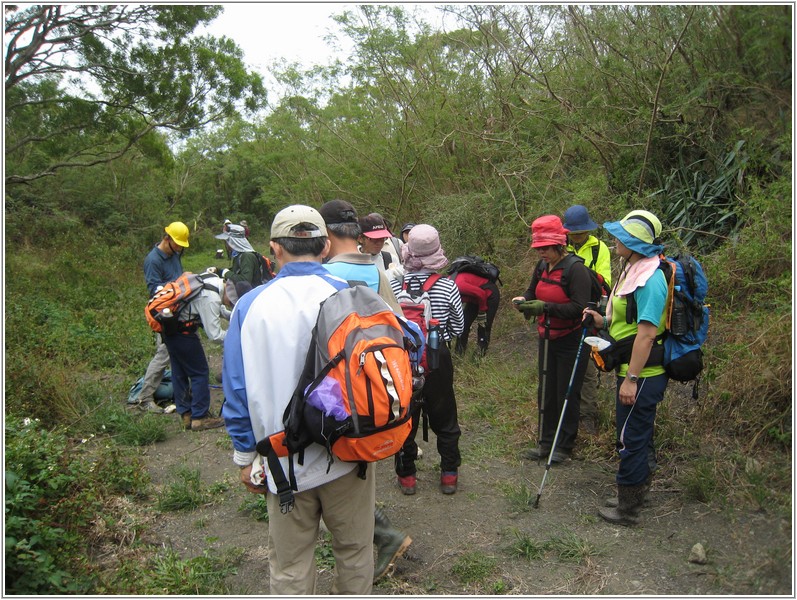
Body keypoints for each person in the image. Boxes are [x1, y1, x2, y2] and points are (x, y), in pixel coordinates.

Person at [222, 205, 375, 594]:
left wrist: (244, 457)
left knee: (289, 565)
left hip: (282, 460)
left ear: (274, 249)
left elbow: (236, 391)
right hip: (349, 454)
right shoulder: (352, 296)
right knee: (354, 551)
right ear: (325, 246)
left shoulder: (249, 306)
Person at [318, 199, 412, 581]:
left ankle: (383, 536)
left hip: (333, 386)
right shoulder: (373, 268)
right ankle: (382, 534)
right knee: (353, 473)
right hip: (371, 387)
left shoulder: (325, 276)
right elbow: (397, 322)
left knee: (332, 477)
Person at [583, 210, 669, 526]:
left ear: (636, 243)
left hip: (643, 374)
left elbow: (646, 334)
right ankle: (636, 492)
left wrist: (631, 379)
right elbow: (626, 320)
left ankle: (627, 507)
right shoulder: (634, 269)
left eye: (623, 236)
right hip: (632, 369)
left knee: (629, 438)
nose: (616, 240)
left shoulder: (651, 279)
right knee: (638, 435)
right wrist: (602, 321)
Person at [390, 224, 464, 495]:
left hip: (402, 359)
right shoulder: (447, 286)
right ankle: (449, 474)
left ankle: (407, 476)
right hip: (437, 358)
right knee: (445, 418)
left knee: (404, 417)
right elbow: (457, 328)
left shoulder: (394, 284)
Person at [513, 215, 592, 464]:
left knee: (566, 392)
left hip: (571, 338)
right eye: (539, 249)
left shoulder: (575, 269)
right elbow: (531, 289)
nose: (542, 253)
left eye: (546, 248)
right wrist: (525, 301)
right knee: (546, 391)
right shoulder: (541, 267)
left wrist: (545, 307)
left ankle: (564, 445)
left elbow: (580, 307)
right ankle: (545, 442)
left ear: (559, 244)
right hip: (546, 337)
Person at [563, 204, 613, 435]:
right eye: (573, 233)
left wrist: (580, 273)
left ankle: (587, 415)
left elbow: (607, 282)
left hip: (589, 312)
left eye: (581, 232)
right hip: (565, 311)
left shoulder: (599, 248)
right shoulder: (561, 246)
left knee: (588, 368)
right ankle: (566, 412)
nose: (577, 237)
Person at [163, 270, 229, 431]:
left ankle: (186, 414)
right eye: (230, 301)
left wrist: (231, 315)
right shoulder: (211, 298)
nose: (228, 303)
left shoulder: (213, 281)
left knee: (179, 372)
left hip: (169, 329)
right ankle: (200, 418)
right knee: (200, 372)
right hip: (183, 334)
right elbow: (214, 335)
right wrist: (234, 336)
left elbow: (217, 308)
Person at [136, 221, 189, 413]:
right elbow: (154, 290)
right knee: (164, 353)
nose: (179, 249)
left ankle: (182, 392)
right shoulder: (153, 260)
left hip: (179, 310)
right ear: (167, 239)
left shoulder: (174, 255)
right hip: (164, 314)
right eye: (177, 244)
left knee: (180, 352)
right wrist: (174, 291)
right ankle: (145, 397)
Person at [451, 269, 501, 356]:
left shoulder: (459, 285)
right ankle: (459, 354)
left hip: (489, 294)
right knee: (463, 324)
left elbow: (481, 294)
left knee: (483, 325)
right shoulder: (448, 288)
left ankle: (479, 356)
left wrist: (482, 311)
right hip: (474, 298)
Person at [359, 213, 404, 282]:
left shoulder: (390, 259)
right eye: (374, 239)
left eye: (382, 238)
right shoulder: (348, 260)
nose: (379, 243)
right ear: (360, 239)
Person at [216, 224, 264, 289]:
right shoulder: (238, 255)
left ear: (234, 242)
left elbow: (245, 281)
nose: (226, 244)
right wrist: (219, 271)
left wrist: (226, 273)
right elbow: (237, 271)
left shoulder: (247, 256)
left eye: (227, 241)